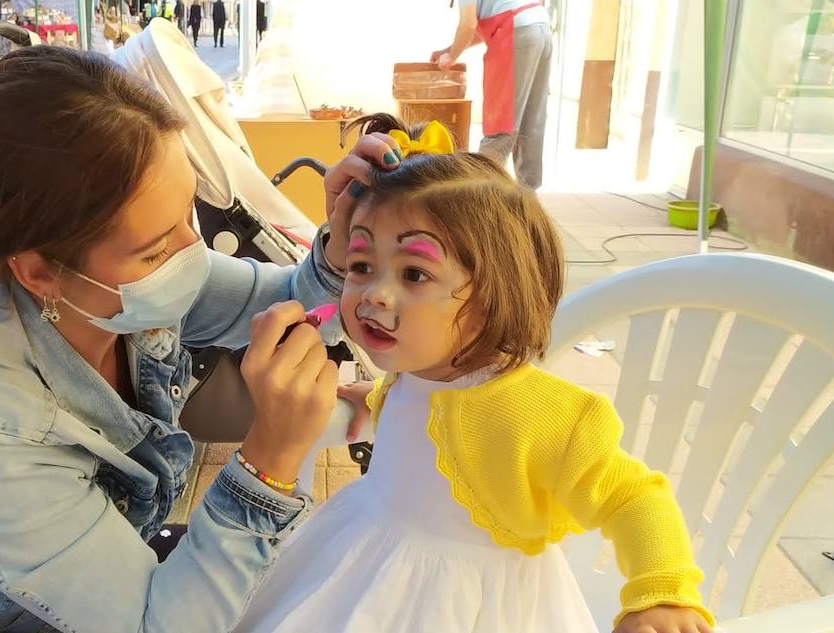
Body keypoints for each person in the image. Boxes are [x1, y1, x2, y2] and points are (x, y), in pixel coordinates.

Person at [0, 46, 399, 633]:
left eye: (186, 220)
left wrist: (341, 250)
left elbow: (274, 300)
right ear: (38, 271)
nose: (191, 256)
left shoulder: (109, 290)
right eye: (155, 248)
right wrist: (268, 462)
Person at [233, 115, 715, 633]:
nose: (373, 293)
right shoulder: (419, 366)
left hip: (475, 606)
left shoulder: (540, 413)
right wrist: (376, 397)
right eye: (361, 266)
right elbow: (433, 418)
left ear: (493, 295)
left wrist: (663, 591)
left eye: (414, 273)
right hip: (366, 553)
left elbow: (632, 495)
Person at [434, 0, 554, 189]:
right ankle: (528, 196)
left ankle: (482, 195)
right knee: (532, 120)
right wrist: (450, 50)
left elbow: (468, 24)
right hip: (541, 28)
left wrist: (452, 57)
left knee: (501, 121)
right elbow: (481, 29)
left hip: (515, 32)